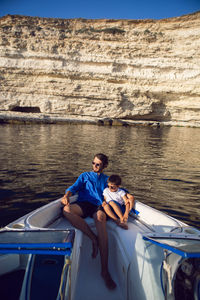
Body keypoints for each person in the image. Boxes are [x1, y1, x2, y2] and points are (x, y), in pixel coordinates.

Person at [61, 153, 116, 290]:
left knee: (100, 219)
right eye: (93, 163)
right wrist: (66, 196)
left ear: (104, 166)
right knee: (66, 210)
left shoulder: (107, 179)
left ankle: (105, 271)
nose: (94, 166)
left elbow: (116, 192)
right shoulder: (85, 176)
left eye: (98, 164)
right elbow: (72, 188)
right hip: (84, 204)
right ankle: (93, 238)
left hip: (99, 206)